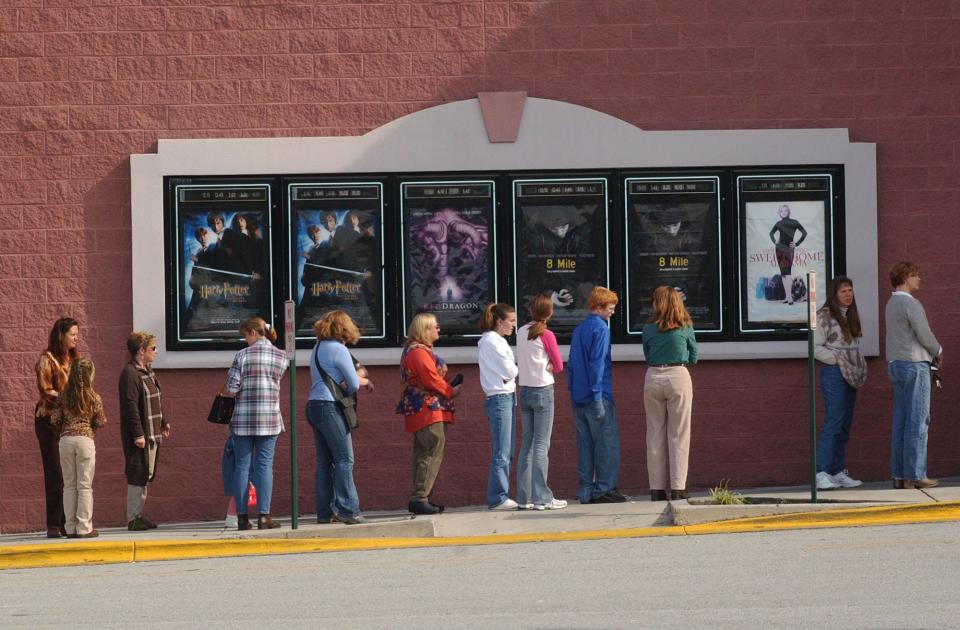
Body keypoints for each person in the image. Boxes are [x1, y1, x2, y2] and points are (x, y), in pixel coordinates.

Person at [221, 317, 288, 530]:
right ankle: (264, 516)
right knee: (265, 466)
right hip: (269, 418)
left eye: (245, 336)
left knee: (242, 466)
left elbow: (232, 389)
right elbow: (279, 378)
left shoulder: (242, 356)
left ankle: (241, 518)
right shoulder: (280, 355)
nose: (245, 340)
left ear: (252, 333)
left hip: (242, 419)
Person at [307, 310, 373, 525]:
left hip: (314, 405)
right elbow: (353, 384)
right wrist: (362, 382)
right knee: (344, 459)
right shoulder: (339, 349)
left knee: (324, 462)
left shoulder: (317, 348)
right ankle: (348, 510)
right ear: (344, 327)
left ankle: (324, 513)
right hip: (330, 406)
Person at [396, 312, 462, 515]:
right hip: (428, 409)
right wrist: (451, 391)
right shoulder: (418, 353)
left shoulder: (414, 351)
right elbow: (431, 379)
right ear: (424, 330)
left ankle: (423, 497)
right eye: (435, 326)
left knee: (423, 452)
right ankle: (420, 497)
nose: (438, 329)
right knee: (431, 450)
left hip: (422, 408)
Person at [886, 262, 943, 489]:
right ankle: (916, 473)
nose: (919, 279)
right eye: (915, 275)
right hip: (914, 364)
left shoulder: (891, 303)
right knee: (919, 420)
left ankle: (899, 475)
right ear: (906, 277)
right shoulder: (911, 303)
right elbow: (924, 333)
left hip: (896, 364)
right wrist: (938, 350)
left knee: (901, 420)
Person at [567, 287, 625, 504]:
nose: (613, 311)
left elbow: (572, 363)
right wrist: (598, 395)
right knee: (606, 443)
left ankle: (585, 490)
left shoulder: (580, 329)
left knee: (584, 445)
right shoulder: (601, 329)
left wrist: (573, 391)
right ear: (599, 306)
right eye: (611, 307)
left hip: (578, 396)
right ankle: (604, 488)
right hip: (597, 395)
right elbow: (597, 364)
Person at [642, 286, 698, 501]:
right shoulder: (684, 326)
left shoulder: (648, 328)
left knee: (654, 434)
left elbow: (647, 353)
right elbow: (694, 355)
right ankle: (678, 488)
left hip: (653, 376)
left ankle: (656, 490)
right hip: (678, 374)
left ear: (659, 303)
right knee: (679, 434)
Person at [813, 277, 867, 491]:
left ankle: (837, 471)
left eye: (850, 290)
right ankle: (821, 472)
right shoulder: (824, 316)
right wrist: (837, 359)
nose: (848, 294)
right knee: (834, 420)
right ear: (834, 294)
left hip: (851, 374)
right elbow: (814, 347)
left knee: (844, 423)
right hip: (834, 374)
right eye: (843, 291)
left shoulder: (851, 316)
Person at [515, 294, 567, 510]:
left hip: (524, 389)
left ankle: (524, 497)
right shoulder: (546, 334)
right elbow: (559, 365)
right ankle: (542, 497)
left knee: (526, 444)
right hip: (543, 390)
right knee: (541, 444)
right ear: (549, 312)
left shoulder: (520, 331)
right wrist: (550, 367)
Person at [119, 331, 171, 531]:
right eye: (153, 348)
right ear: (141, 351)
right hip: (140, 435)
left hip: (152, 431)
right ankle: (133, 518)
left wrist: (163, 422)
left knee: (146, 473)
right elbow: (130, 406)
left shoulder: (148, 371)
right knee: (137, 473)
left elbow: (154, 400)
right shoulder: (130, 374)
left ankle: (139, 515)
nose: (156, 352)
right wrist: (138, 434)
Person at [34, 317, 79, 538]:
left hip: (68, 422)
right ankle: (54, 524)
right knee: (55, 473)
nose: (76, 338)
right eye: (72, 334)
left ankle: (68, 522)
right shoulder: (46, 359)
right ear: (61, 335)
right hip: (48, 421)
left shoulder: (74, 359)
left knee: (71, 474)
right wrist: (68, 400)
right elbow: (46, 391)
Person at [52, 358, 106, 539]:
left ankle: (70, 527)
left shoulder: (62, 396)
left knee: (69, 485)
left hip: (66, 440)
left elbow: (55, 420)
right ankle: (84, 527)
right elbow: (100, 421)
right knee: (84, 486)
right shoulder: (94, 397)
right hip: (85, 440)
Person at [478, 303, 520, 510]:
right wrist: (514, 369)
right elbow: (509, 371)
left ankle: (501, 494)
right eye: (511, 321)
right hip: (499, 397)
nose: (514, 325)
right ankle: (498, 497)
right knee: (502, 451)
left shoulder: (498, 341)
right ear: (499, 321)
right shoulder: (491, 343)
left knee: (508, 449)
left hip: (507, 396)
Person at [768, 204, 808, 305]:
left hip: (789, 249)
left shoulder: (794, 222)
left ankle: (790, 298)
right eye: (782, 211)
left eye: (785, 211)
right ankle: (787, 296)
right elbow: (771, 233)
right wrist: (774, 241)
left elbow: (804, 233)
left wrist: (797, 244)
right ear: (780, 213)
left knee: (788, 273)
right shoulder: (778, 223)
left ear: (788, 211)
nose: (784, 212)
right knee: (783, 273)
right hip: (779, 249)